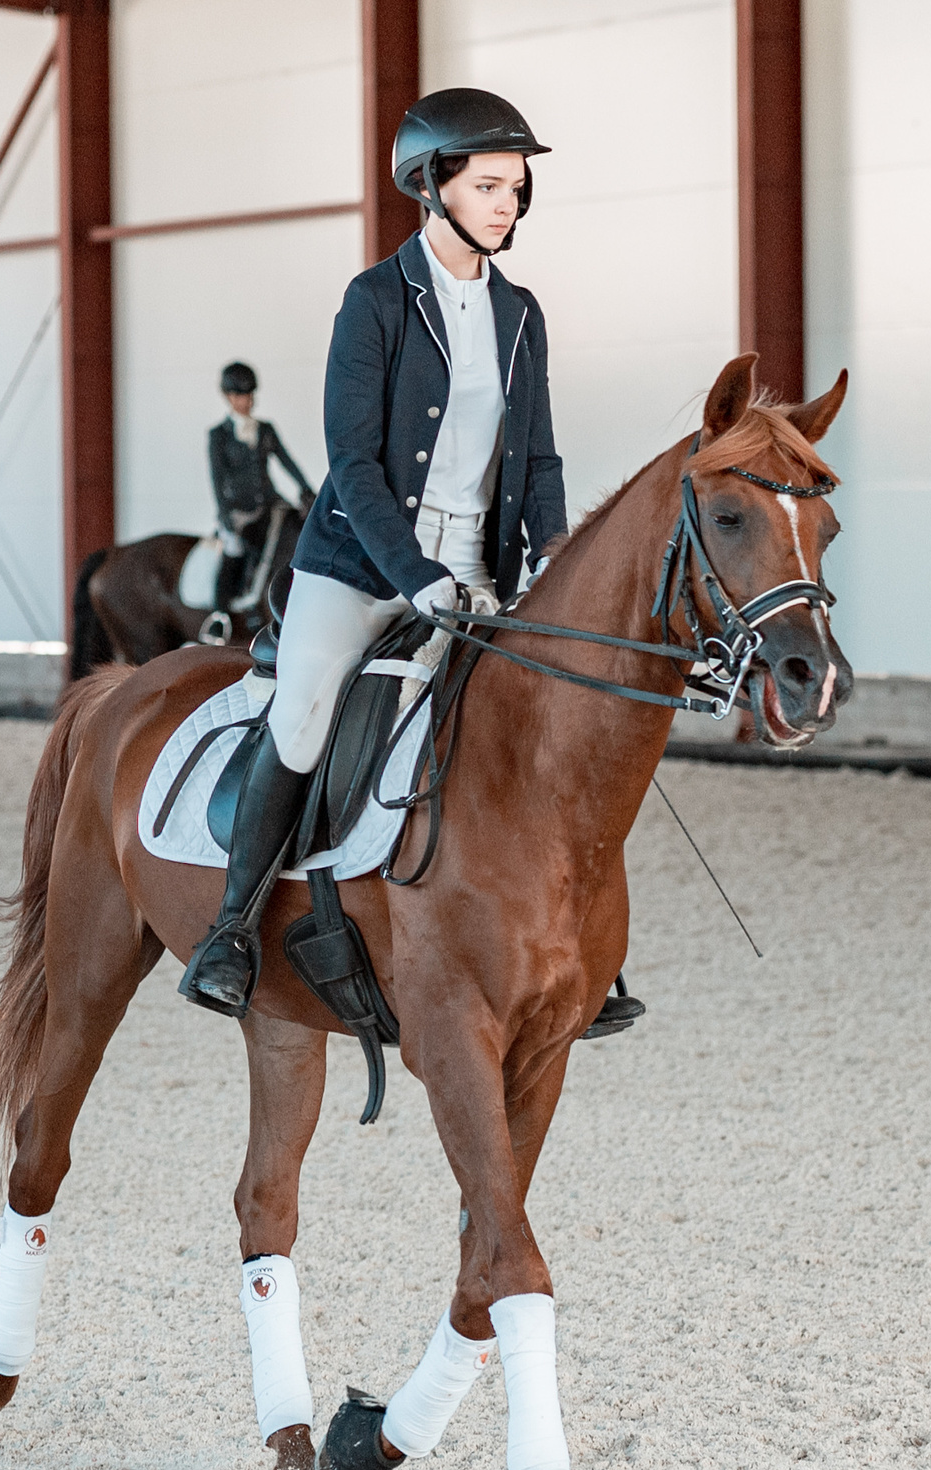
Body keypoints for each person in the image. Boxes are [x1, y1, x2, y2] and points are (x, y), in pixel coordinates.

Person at [176, 88, 643, 1042]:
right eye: (488, 186)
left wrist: (551, 556)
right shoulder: (375, 302)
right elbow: (350, 464)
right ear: (431, 187)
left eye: (517, 188)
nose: (508, 204)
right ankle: (231, 932)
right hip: (361, 565)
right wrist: (416, 575)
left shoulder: (520, 314)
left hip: (481, 570)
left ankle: (576, 946)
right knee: (304, 713)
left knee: (541, 722)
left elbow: (540, 454)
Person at [207, 363, 316, 609]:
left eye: (249, 394)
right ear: (228, 397)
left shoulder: (265, 429)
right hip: (239, 508)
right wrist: (224, 513)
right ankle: (220, 612)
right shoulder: (219, 435)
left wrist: (305, 488)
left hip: (270, 501)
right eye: (240, 395)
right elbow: (217, 478)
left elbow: (287, 460)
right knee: (233, 549)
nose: (247, 401)